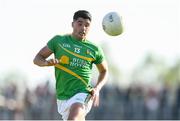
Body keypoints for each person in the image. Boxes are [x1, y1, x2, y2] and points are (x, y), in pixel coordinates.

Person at [33, 10, 108, 121]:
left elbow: (104, 71)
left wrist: (97, 88)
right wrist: (46, 63)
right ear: (72, 24)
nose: (83, 28)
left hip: (83, 93)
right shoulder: (58, 41)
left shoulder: (95, 49)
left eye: (87, 25)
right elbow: (37, 58)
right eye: (80, 23)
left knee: (74, 118)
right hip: (62, 97)